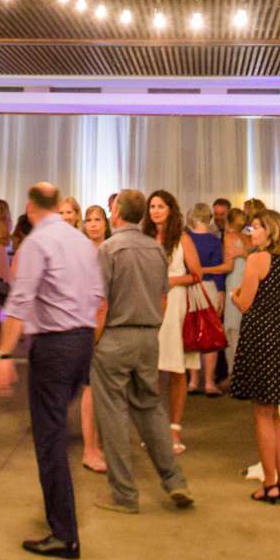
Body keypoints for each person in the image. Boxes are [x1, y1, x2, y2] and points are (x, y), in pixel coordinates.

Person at [0, 183, 102, 560]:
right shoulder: (82, 243)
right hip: (82, 341)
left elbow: (19, 301)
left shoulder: (38, 243)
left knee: (50, 438)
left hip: (54, 346)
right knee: (54, 429)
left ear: (30, 208)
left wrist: (3, 354)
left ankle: (64, 533)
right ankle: (62, 522)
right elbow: (97, 296)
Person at [90, 189, 197, 515]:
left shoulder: (109, 249)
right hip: (150, 336)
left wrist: (92, 342)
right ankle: (175, 480)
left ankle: (124, 493)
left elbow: (101, 303)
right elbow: (163, 297)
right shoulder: (156, 249)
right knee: (151, 408)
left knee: (113, 415)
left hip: (114, 337)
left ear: (117, 214)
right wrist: (151, 328)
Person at [226, 208, 280, 504]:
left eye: (255, 228)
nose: (251, 233)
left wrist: (234, 295)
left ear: (270, 231)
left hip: (261, 339)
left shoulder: (258, 259)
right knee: (276, 413)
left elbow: (245, 303)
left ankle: (269, 481)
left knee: (261, 413)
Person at [145, 190, 200, 453]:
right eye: (152, 206)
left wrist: (171, 280)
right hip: (147, 303)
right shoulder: (144, 238)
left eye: (161, 206)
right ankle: (154, 428)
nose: (156, 211)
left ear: (171, 210)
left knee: (176, 367)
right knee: (151, 368)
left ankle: (174, 428)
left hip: (175, 302)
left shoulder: (182, 239)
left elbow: (197, 274)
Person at [76, 204, 112, 473]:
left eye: (98, 219)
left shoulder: (112, 250)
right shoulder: (80, 251)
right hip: (87, 321)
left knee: (104, 389)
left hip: (110, 321)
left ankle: (97, 444)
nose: (93, 224)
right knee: (90, 387)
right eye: (89, 220)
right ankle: (90, 447)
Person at [183, 202, 228, 397]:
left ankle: (193, 381)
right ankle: (209, 382)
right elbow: (220, 270)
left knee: (191, 333)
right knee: (210, 334)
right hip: (209, 287)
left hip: (188, 287)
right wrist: (220, 293)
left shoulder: (186, 239)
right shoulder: (215, 241)